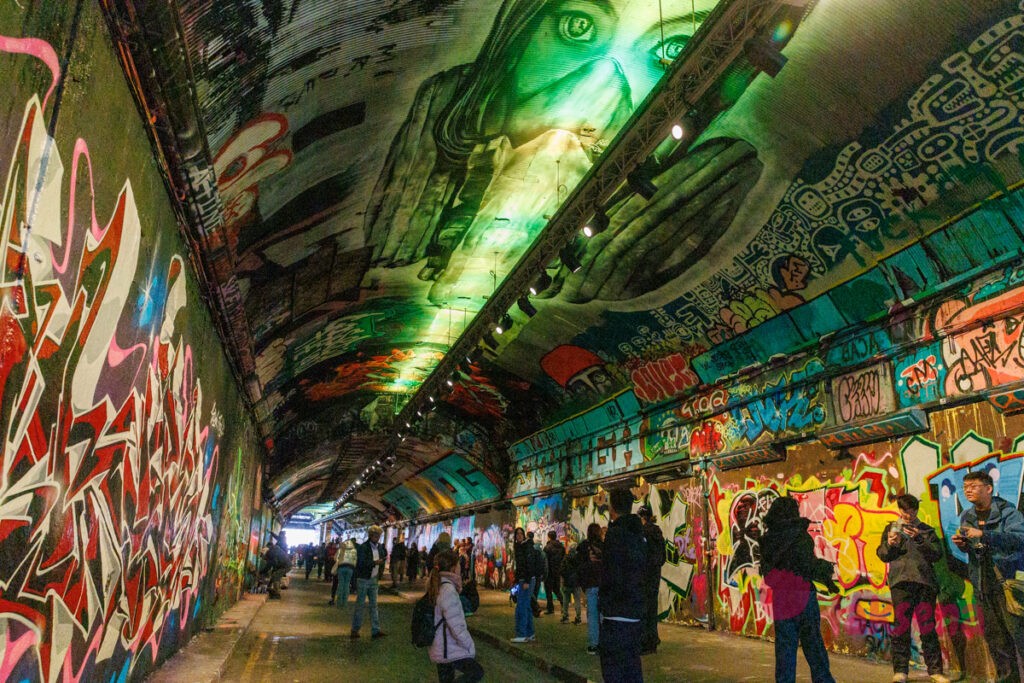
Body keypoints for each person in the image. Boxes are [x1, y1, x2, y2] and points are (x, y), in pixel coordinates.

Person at [952, 471, 1024, 683]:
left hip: (1008, 585)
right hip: (983, 585)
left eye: (973, 486)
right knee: (996, 640)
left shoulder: (1008, 513)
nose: (968, 491)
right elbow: (975, 550)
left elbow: (1019, 540)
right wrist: (964, 546)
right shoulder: (968, 516)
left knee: (1019, 637)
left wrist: (985, 535)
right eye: (965, 487)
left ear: (989, 488)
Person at [759, 496, 837, 683]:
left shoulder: (768, 540)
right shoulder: (800, 536)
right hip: (803, 596)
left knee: (785, 649)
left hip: (782, 599)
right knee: (814, 646)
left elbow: (767, 573)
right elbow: (808, 566)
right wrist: (826, 568)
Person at [876, 494, 948, 683]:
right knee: (901, 628)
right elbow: (883, 555)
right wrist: (890, 544)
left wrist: (919, 539)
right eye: (905, 511)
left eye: (912, 511)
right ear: (899, 509)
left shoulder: (926, 530)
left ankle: (935, 671)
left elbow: (936, 555)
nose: (908, 515)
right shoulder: (891, 529)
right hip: (900, 584)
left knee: (927, 628)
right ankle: (900, 672)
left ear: (917, 510)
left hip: (925, 584)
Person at [598, 489, 646, 682]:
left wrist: (605, 602)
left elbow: (610, 573)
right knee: (632, 669)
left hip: (615, 613)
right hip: (635, 612)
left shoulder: (615, 535)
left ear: (612, 508)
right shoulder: (639, 534)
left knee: (613, 671)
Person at [428, 549, 484, 683]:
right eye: (459, 565)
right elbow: (456, 626)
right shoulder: (448, 590)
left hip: (441, 646)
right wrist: (469, 646)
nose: (460, 568)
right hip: (449, 648)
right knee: (476, 672)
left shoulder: (439, 584)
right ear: (453, 568)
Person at [637, 504, 667, 655]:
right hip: (655, 575)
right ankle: (653, 640)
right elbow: (663, 556)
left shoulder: (642, 533)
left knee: (643, 609)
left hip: (644, 575)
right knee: (652, 609)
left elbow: (640, 554)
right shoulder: (658, 532)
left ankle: (645, 642)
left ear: (641, 517)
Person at [351, 526, 388, 639]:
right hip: (363, 579)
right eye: (377, 535)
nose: (378, 538)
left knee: (374, 606)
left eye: (379, 536)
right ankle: (355, 629)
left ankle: (376, 630)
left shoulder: (379, 548)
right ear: (371, 535)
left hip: (374, 579)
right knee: (360, 605)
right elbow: (361, 563)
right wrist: (374, 563)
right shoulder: (363, 548)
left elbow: (382, 557)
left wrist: (381, 563)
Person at [510, 527, 541, 643]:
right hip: (524, 580)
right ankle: (530, 633)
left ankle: (521, 634)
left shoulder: (525, 547)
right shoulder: (521, 547)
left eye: (520, 533)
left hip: (526, 580)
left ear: (523, 535)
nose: (518, 535)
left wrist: (526, 581)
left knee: (521, 607)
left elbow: (528, 565)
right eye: (516, 534)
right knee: (526, 606)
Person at [578, 522, 604, 654]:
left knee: (592, 614)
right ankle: (604, 642)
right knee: (602, 615)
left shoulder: (583, 547)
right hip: (603, 585)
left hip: (590, 584)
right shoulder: (605, 547)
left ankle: (594, 644)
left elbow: (579, 567)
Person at [560, 541, 584, 625]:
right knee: (577, 600)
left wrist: (565, 577)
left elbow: (562, 569)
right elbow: (581, 570)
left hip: (567, 582)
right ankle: (578, 618)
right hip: (576, 582)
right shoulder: (579, 558)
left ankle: (565, 617)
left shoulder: (566, 557)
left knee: (566, 600)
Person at [544, 531, 566, 615]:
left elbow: (545, 561)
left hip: (549, 572)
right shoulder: (561, 547)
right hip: (557, 571)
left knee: (548, 591)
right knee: (557, 589)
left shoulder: (547, 547)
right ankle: (564, 605)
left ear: (549, 537)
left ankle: (550, 609)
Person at [332, 538, 357, 607]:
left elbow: (335, 558)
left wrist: (339, 560)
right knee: (347, 585)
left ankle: (339, 602)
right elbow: (355, 560)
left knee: (341, 585)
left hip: (341, 568)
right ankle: (345, 602)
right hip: (350, 569)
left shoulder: (340, 550)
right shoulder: (354, 551)